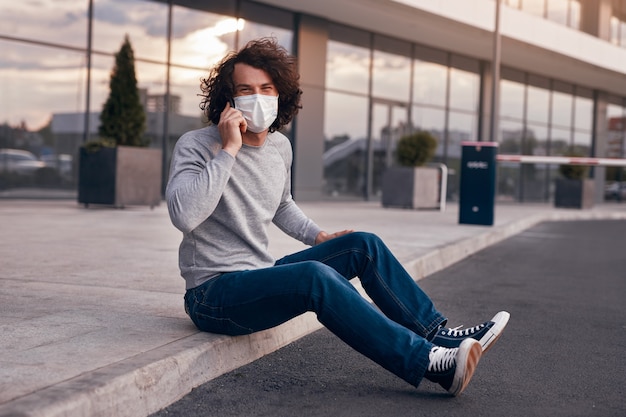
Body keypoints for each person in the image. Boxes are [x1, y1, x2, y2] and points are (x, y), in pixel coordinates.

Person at [166, 37, 510, 396]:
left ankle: (438, 334)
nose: (257, 97)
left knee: (363, 245)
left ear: (279, 93)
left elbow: (282, 204)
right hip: (213, 295)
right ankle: (429, 363)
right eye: (245, 89)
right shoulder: (197, 145)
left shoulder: (280, 147)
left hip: (259, 276)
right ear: (229, 98)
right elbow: (185, 216)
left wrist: (318, 237)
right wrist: (229, 151)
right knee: (314, 277)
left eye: (266, 88)